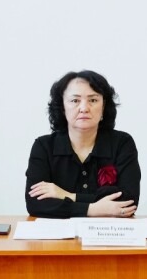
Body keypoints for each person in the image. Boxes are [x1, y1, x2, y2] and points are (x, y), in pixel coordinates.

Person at [26, 70, 140, 218]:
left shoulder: (122, 143)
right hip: (59, 232)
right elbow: (35, 203)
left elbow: (128, 201)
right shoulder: (43, 146)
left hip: (108, 231)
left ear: (103, 106)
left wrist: (67, 195)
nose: (84, 108)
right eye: (75, 101)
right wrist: (92, 209)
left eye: (93, 100)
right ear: (62, 107)